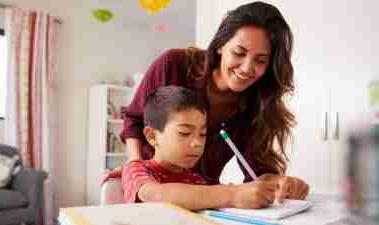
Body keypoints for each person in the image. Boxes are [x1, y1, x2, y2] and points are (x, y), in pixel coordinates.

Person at [114, 1, 309, 204]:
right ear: (220, 45)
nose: (247, 68)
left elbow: (257, 170)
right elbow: (135, 121)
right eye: (239, 53)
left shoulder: (256, 104)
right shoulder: (173, 64)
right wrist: (135, 166)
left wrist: (279, 183)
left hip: (206, 202)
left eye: (260, 60)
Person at [122, 85, 279, 209]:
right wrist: (232, 194)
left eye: (203, 134)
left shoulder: (195, 180)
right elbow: (155, 195)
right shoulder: (136, 169)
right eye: (184, 133)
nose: (197, 142)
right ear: (152, 136)